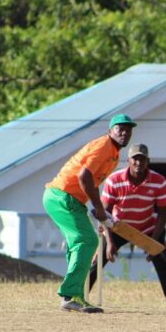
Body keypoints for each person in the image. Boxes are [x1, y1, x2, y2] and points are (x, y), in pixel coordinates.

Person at [43, 113, 136, 313]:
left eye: (128, 129)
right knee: (88, 241)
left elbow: (90, 182)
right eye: (120, 128)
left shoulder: (113, 154)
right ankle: (70, 295)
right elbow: (83, 175)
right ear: (110, 131)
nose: (124, 132)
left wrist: (101, 211)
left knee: (78, 244)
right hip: (62, 196)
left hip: (67, 199)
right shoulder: (104, 146)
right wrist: (100, 209)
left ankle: (74, 296)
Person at [87, 143, 166, 303]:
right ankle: (78, 295)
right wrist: (110, 241)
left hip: (147, 227)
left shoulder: (159, 181)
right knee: (97, 258)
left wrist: (154, 242)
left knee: (163, 258)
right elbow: (103, 213)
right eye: (135, 159)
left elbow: (163, 213)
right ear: (128, 160)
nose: (138, 163)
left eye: (142, 159)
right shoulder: (114, 180)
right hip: (118, 226)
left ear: (148, 161)